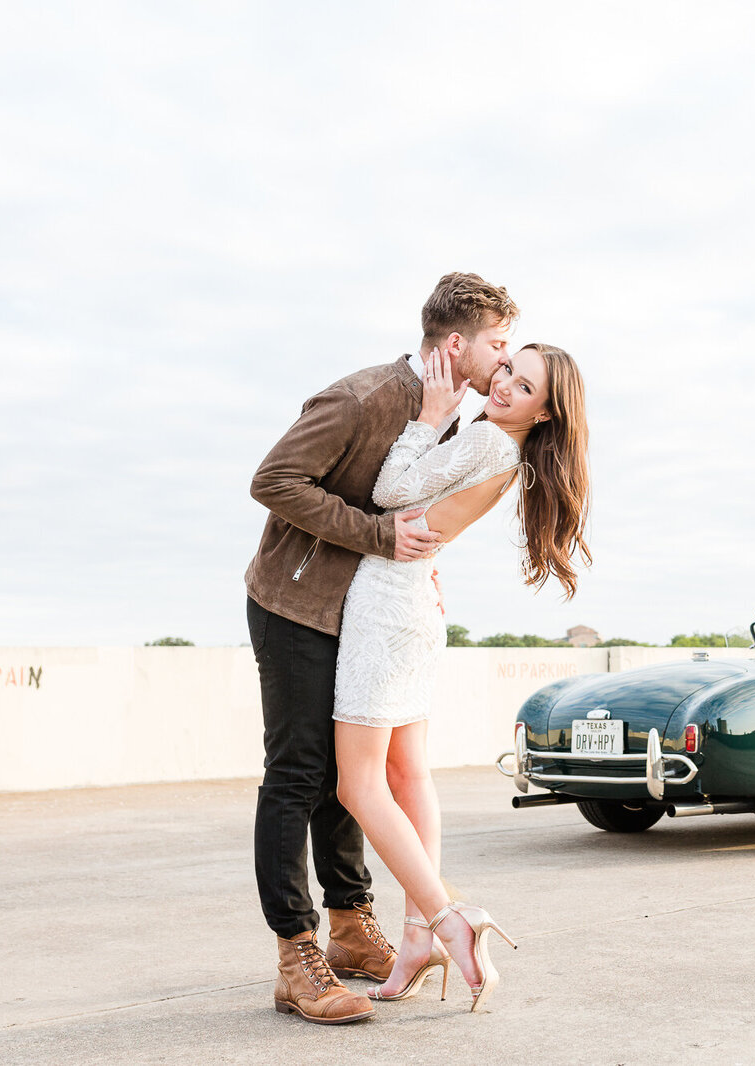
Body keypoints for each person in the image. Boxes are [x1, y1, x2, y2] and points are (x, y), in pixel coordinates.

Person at [244, 272, 518, 1025]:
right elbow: (273, 479)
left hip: (357, 614)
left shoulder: (457, 415)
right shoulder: (364, 397)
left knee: (344, 773)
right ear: (456, 344)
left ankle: (350, 925)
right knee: (298, 774)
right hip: (294, 604)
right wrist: (377, 537)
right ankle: (295, 952)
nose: (505, 358)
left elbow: (424, 506)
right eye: (498, 344)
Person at [332, 341, 590, 1011]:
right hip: (414, 602)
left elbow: (389, 492)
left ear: (544, 413)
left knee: (358, 784)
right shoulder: (504, 456)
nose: (504, 385)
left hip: (387, 603)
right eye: (508, 369)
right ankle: (418, 934)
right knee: (406, 774)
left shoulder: (486, 445)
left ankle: (448, 917)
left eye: (524, 385)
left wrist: (431, 414)